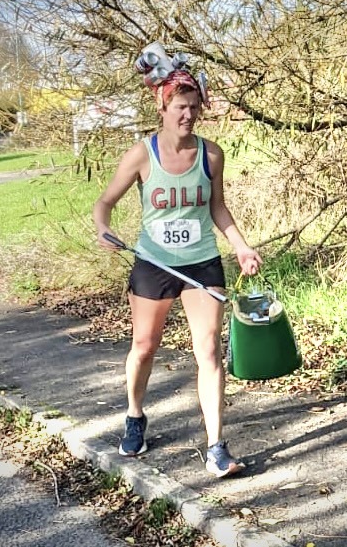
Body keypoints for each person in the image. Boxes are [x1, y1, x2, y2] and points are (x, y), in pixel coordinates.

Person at [93, 48, 262, 478]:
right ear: (163, 106)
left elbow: (218, 208)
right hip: (152, 264)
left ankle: (216, 447)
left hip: (202, 263)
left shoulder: (212, 155)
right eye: (180, 107)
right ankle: (134, 416)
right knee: (145, 346)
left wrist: (241, 247)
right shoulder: (141, 154)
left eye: (194, 107)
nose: (187, 115)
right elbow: (105, 202)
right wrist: (104, 229)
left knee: (208, 350)